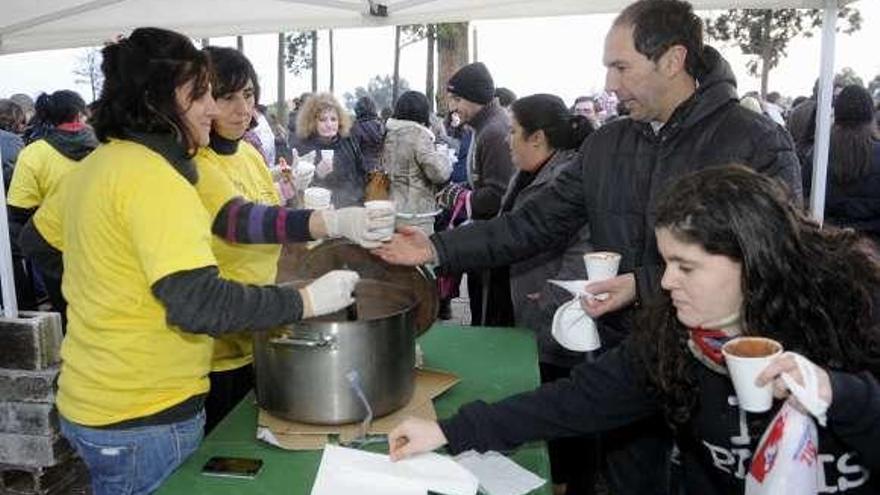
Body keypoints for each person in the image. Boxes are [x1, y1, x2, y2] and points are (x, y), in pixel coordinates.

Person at [375, 0, 801, 492]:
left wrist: (641, 285)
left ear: (673, 59)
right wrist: (436, 249)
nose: (609, 85)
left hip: (726, 374)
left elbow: (778, 259)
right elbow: (531, 224)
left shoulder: (756, 141)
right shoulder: (608, 144)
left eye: (621, 67)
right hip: (626, 357)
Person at [389, 165, 880, 494]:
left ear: (752, 261)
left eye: (686, 267)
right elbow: (577, 401)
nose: (665, 283)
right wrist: (447, 430)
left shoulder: (854, 312)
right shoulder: (675, 339)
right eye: (665, 263)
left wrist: (839, 395)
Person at [42, 28, 376, 495]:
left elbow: (39, 242)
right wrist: (304, 300)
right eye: (201, 94)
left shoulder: (98, 165)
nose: (213, 108)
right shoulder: (157, 179)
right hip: (145, 414)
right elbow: (199, 303)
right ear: (159, 98)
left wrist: (110, 293)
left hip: (92, 399)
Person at [502, 93, 597, 494]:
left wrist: (553, 297)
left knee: (561, 410)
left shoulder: (564, 179)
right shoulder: (529, 172)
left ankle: (563, 483)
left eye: (513, 131)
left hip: (556, 320)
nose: (508, 140)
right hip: (531, 308)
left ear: (537, 138)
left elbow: (584, 246)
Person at [435, 61, 516, 327]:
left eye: (457, 99)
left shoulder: (494, 131)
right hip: (488, 236)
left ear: (476, 97)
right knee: (481, 308)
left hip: (496, 240)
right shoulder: (484, 127)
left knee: (488, 315)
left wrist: (462, 199)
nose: (453, 107)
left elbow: (499, 194)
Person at [6, 89, 97, 318]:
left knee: (68, 316)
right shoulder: (105, 146)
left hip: (56, 248)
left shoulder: (33, 154)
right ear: (79, 114)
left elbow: (19, 208)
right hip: (105, 243)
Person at [802, 84, 880, 245]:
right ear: (871, 115)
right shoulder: (817, 154)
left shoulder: (817, 155)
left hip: (827, 246)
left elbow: (804, 199)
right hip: (872, 250)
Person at [381, 91, 451, 234]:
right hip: (416, 214)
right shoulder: (418, 135)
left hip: (393, 208)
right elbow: (438, 173)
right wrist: (444, 159)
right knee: (419, 254)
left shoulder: (390, 133)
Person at [295, 92, 367, 207]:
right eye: (323, 120)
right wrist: (318, 174)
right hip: (321, 213)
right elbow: (298, 190)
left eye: (333, 119)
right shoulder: (304, 148)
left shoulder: (349, 142)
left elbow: (362, 174)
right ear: (313, 122)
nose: (329, 125)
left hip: (352, 208)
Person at [350, 96, 385, 172]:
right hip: (380, 169)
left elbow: (352, 152)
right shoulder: (382, 125)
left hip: (361, 170)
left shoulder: (356, 128)